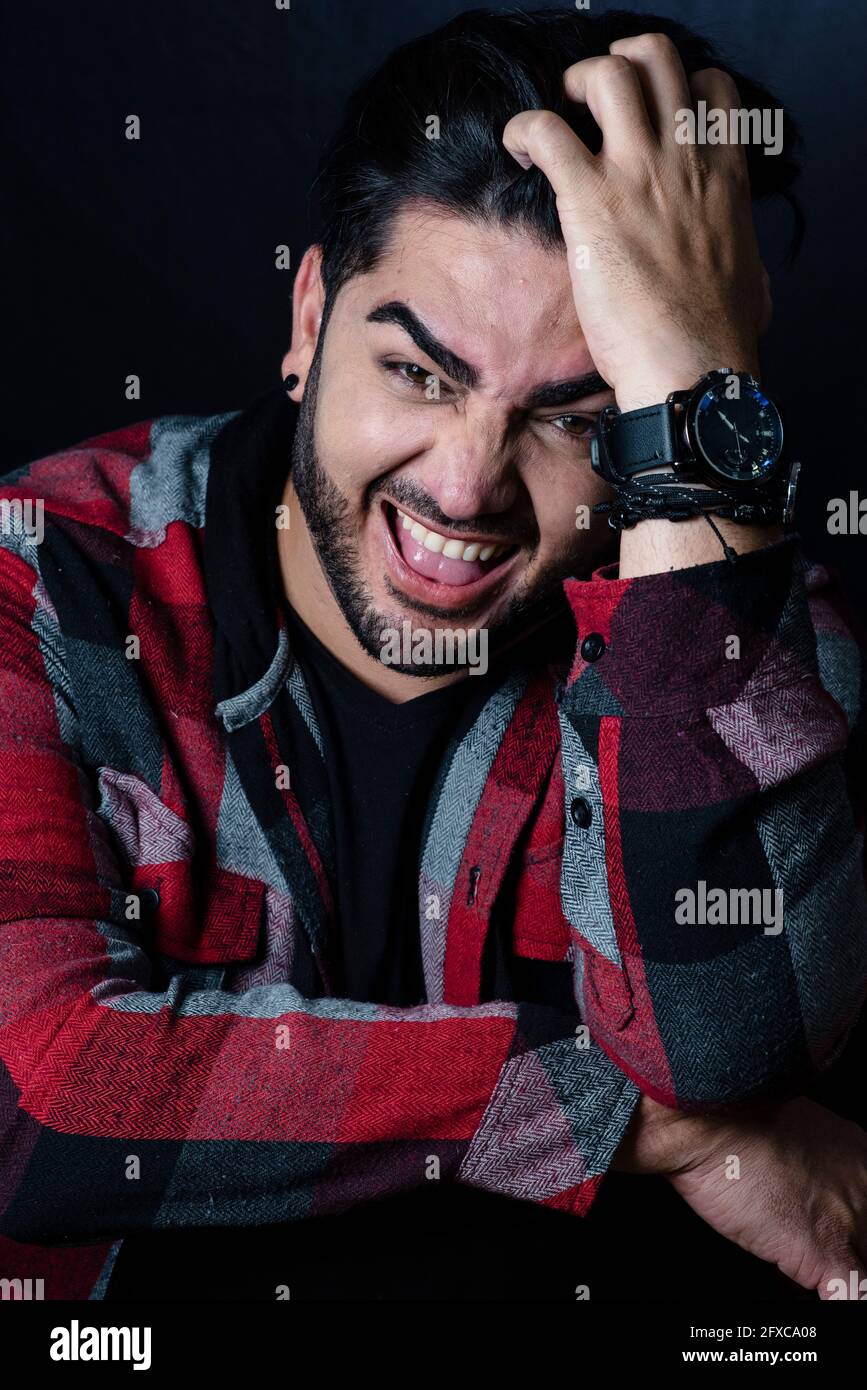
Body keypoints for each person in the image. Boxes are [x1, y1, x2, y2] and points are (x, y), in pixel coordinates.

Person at [1, 7, 865, 1302]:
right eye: (417, 371)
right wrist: (612, 1116)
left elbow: (736, 1049)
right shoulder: (39, 579)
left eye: (577, 422)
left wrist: (694, 410)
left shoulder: (741, 632)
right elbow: (44, 1111)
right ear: (307, 319)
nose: (465, 486)